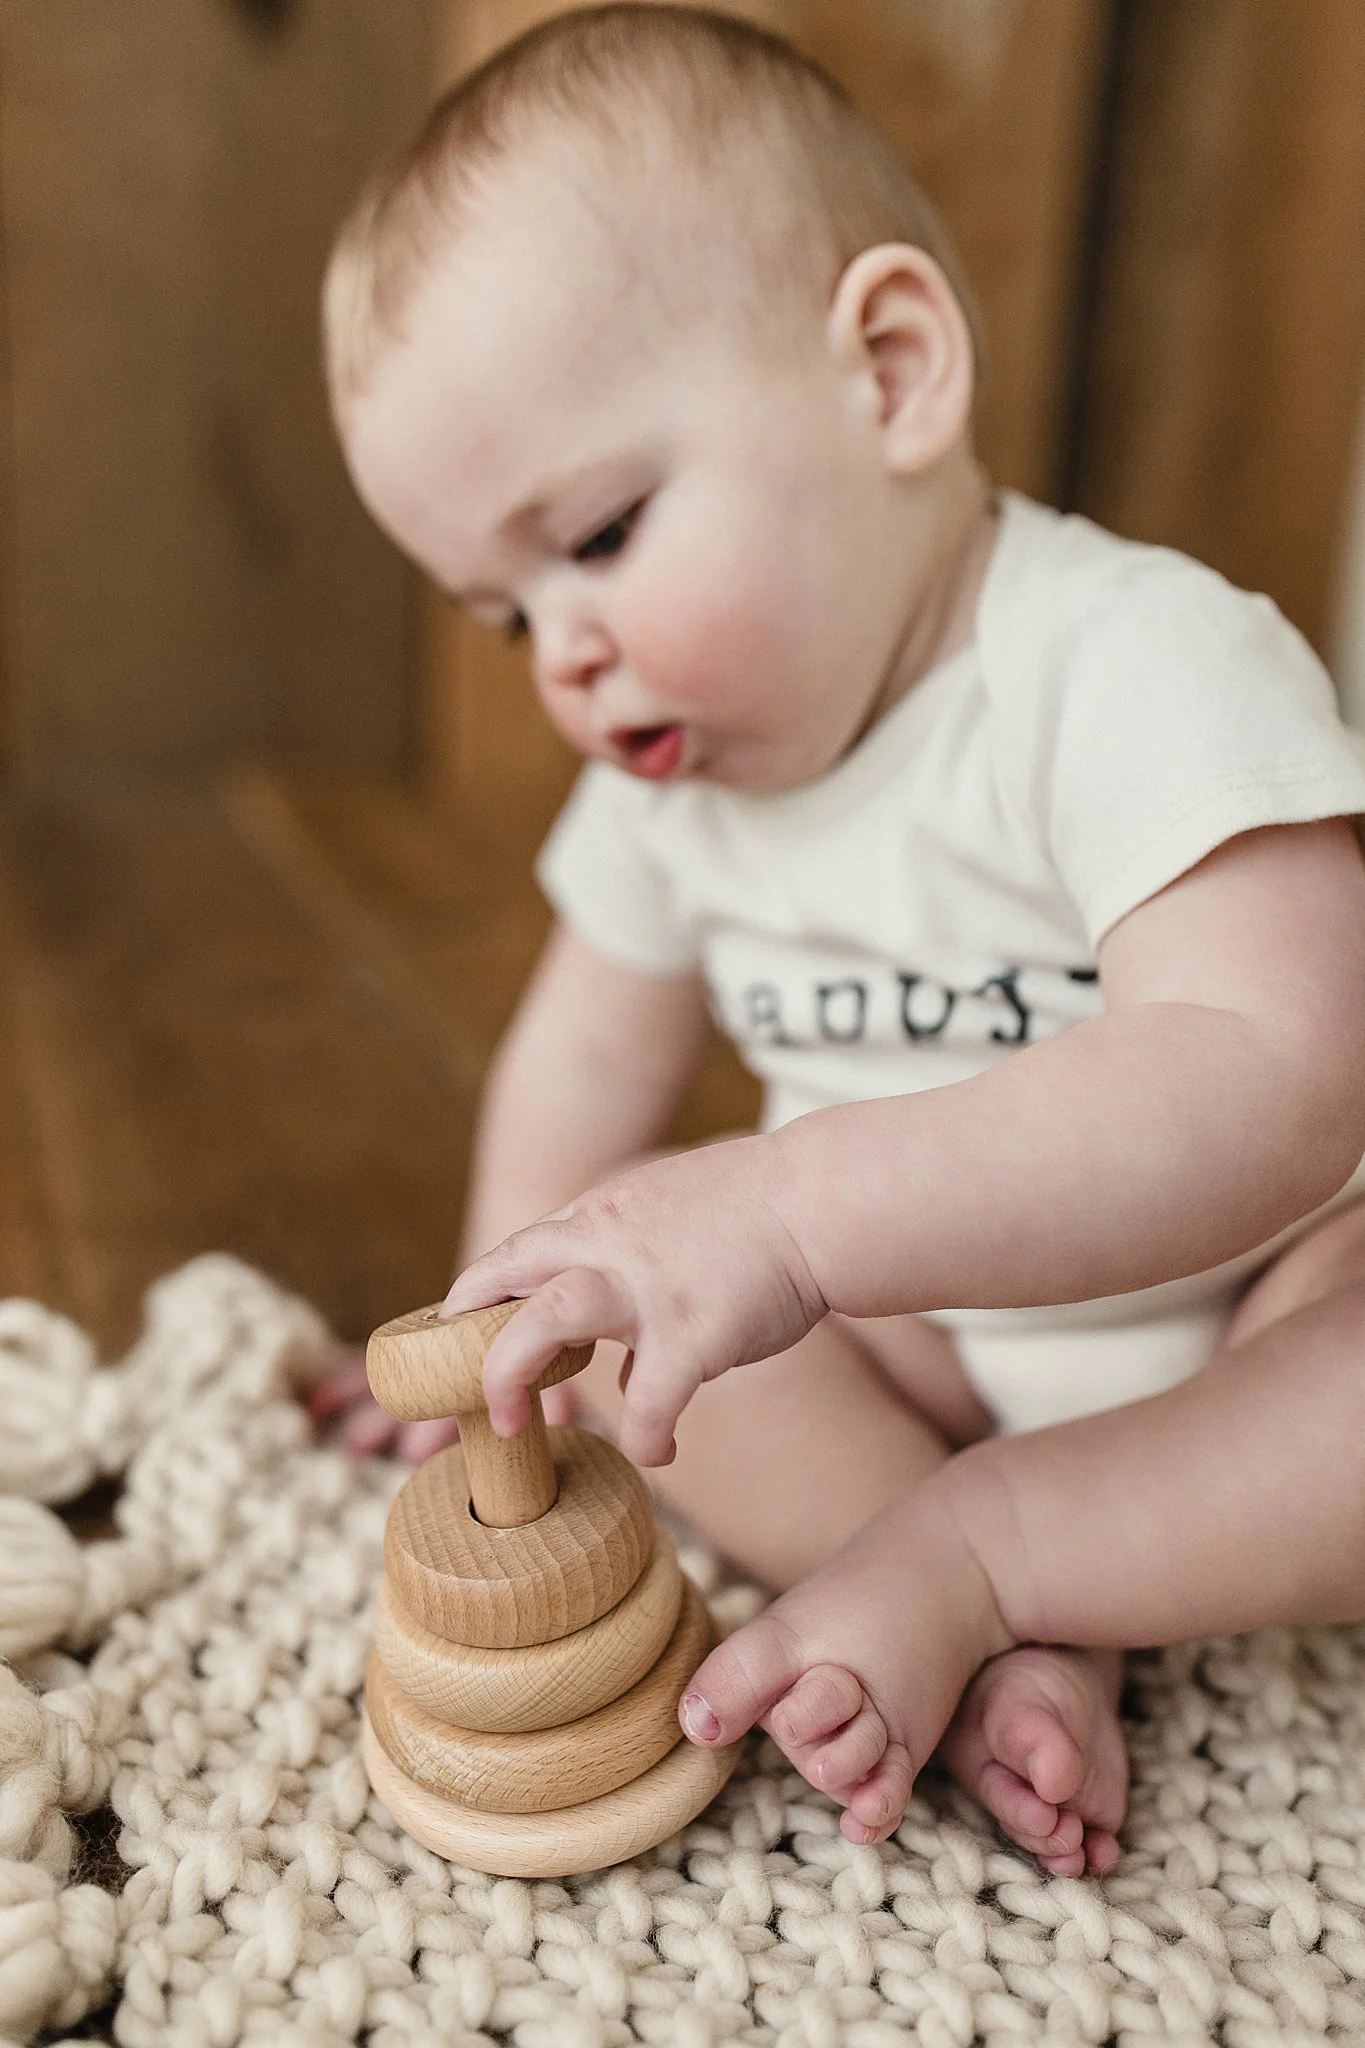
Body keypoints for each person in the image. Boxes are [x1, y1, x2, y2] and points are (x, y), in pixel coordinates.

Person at [318, 3, 1365, 1876]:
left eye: (607, 530)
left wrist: (789, 1217)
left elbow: (1286, 1076)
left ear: (889, 372)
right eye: (504, 612)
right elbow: (580, 1077)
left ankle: (985, 1560)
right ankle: (999, 1625)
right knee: (656, 1370)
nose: (562, 650)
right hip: (918, 1358)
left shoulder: (1131, 662)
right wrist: (500, 1333)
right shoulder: (668, 792)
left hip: (1258, 1308)